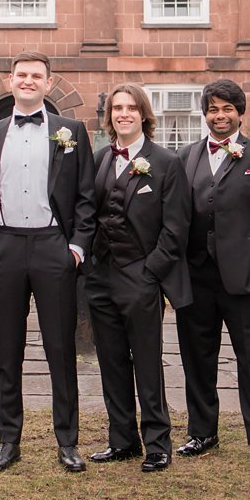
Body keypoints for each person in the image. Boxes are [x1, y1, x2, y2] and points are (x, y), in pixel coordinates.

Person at [0, 51, 96, 473]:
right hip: (3, 246)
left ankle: (67, 441)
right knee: (7, 349)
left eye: (35, 76)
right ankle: (8, 440)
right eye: (21, 75)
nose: (27, 81)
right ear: (10, 81)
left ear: (48, 82)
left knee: (60, 348)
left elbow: (85, 196)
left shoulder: (71, 130)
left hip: (52, 246)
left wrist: (75, 248)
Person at [174, 78, 250, 470]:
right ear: (204, 114)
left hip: (247, 277)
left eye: (226, 109)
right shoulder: (186, 156)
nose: (219, 116)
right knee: (197, 358)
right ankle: (202, 432)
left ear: (240, 112)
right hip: (196, 277)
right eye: (212, 109)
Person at [85, 83, 191, 473]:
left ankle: (158, 442)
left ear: (143, 114)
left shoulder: (165, 162)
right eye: (116, 108)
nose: (123, 114)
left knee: (147, 361)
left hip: (141, 275)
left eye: (131, 108)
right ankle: (122, 440)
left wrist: (151, 272)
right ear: (109, 115)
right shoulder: (97, 160)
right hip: (100, 275)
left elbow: (176, 226)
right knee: (110, 360)